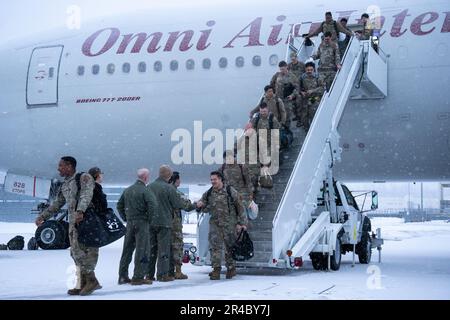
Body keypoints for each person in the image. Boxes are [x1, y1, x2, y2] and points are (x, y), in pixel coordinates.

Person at [35, 156, 100, 296]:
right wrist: (43, 216)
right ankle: (81, 282)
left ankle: (91, 280)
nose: (58, 168)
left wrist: (80, 211)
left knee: (88, 251)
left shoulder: (84, 177)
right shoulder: (65, 184)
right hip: (74, 223)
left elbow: (86, 194)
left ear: (69, 166)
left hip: (86, 220)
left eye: (61, 165)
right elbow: (58, 203)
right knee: (75, 252)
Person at [196, 171, 248, 280]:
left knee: (230, 247)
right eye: (211, 180)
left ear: (220, 179)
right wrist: (199, 206)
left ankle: (231, 268)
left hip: (230, 224)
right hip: (215, 224)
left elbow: (240, 207)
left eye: (214, 179)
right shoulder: (209, 193)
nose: (212, 181)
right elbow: (203, 204)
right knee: (215, 247)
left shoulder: (230, 191)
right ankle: (216, 270)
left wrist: (242, 223)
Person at [117, 168, 157, 285]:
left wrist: (126, 217)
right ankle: (138, 277)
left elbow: (119, 205)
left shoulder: (128, 190)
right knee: (142, 249)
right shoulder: (146, 190)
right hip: (142, 223)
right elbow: (153, 205)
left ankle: (122, 276)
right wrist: (149, 219)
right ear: (145, 177)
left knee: (127, 250)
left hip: (130, 223)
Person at [147, 165, 184, 282]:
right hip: (164, 223)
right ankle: (162, 275)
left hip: (151, 222)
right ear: (169, 176)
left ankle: (149, 274)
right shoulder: (169, 188)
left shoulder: (149, 187)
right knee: (164, 249)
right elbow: (178, 204)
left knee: (152, 249)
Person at [168, 171, 196, 280]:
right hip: (175, 224)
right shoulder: (176, 193)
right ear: (176, 180)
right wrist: (196, 205)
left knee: (166, 247)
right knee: (177, 246)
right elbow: (187, 206)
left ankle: (166, 271)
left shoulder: (163, 190)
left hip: (164, 223)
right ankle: (178, 271)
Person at [220, 150, 253, 219]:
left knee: (243, 214)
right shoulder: (222, 169)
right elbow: (219, 183)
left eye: (230, 157)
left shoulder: (241, 167)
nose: (229, 159)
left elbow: (248, 182)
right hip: (229, 196)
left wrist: (250, 197)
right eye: (227, 158)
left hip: (242, 195)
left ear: (234, 157)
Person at [270, 61, 299, 128]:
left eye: (283, 69)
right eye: (280, 69)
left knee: (287, 117)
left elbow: (297, 88)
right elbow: (271, 84)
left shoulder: (292, 76)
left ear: (286, 67)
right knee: (277, 116)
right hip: (277, 100)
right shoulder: (277, 75)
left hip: (287, 100)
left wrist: (292, 95)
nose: (282, 71)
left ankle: (286, 132)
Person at [300, 62, 325, 132]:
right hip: (305, 99)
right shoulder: (302, 77)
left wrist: (312, 91)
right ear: (305, 70)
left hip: (315, 98)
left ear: (314, 70)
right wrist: (302, 92)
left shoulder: (318, 77)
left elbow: (323, 88)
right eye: (308, 70)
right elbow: (299, 88)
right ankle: (307, 131)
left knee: (313, 114)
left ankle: (315, 130)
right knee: (304, 118)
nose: (309, 71)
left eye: (311, 70)